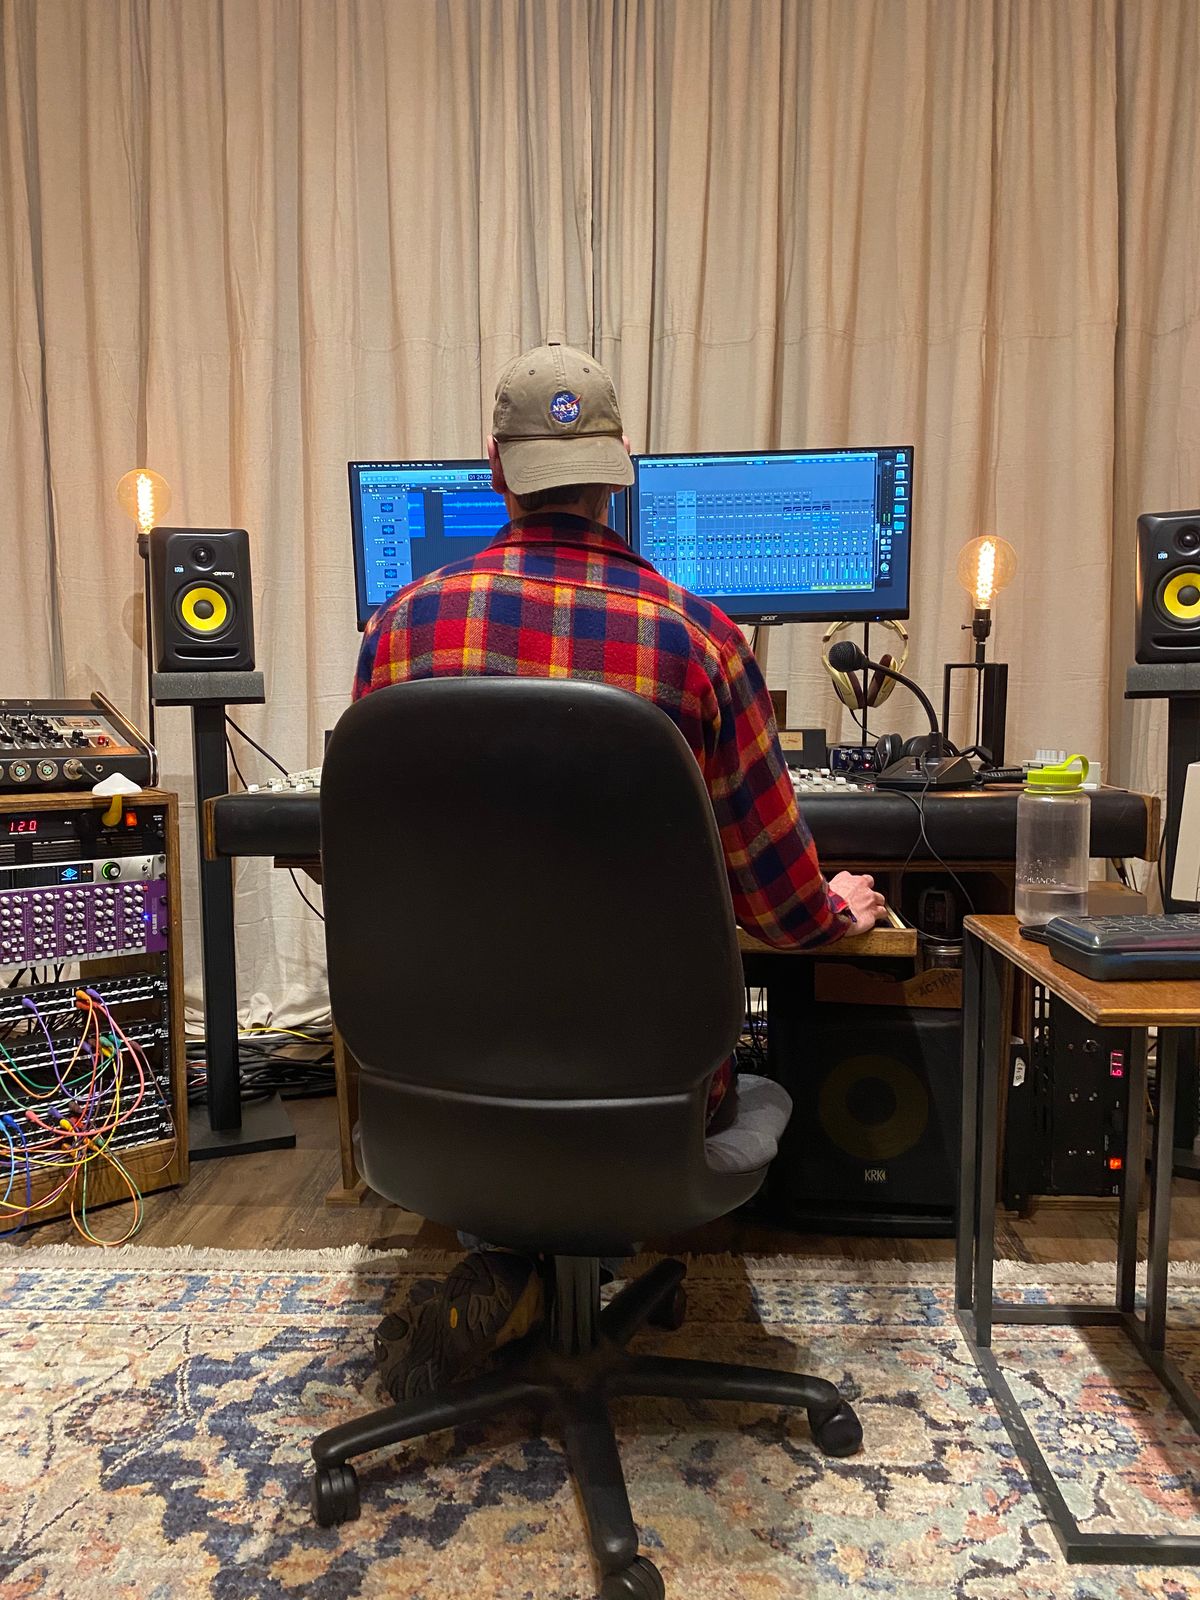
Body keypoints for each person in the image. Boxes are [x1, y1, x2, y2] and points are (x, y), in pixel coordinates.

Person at [354, 342, 885, 1399]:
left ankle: (518, 1259)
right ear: (620, 467)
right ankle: (564, 1257)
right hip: (653, 1108)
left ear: (494, 468)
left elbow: (377, 878)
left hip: (441, 1096)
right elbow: (783, 913)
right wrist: (838, 907)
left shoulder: (397, 635)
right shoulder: (704, 643)